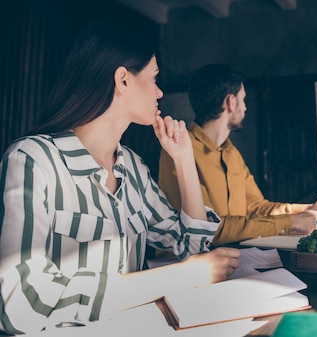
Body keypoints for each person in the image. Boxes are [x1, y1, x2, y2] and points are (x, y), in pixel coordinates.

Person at [0, 22, 240, 335]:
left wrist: (183, 160)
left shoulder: (134, 169)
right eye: (154, 78)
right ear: (123, 80)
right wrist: (177, 278)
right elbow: (18, 303)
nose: (159, 92)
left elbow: (191, 247)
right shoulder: (33, 160)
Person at [158, 64, 317, 246]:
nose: (245, 108)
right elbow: (208, 227)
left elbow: (257, 208)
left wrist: (310, 209)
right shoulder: (180, 151)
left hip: (235, 257)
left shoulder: (231, 153)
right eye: (243, 100)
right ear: (230, 102)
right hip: (193, 266)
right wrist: (292, 222)